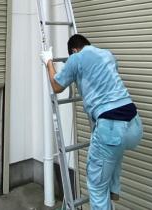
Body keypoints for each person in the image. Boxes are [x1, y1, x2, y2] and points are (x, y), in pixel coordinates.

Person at [40, 34, 143, 209]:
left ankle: (107, 189)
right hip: (134, 125)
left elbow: (57, 86)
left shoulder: (76, 58)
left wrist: (48, 62)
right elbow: (103, 78)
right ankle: (113, 188)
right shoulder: (107, 55)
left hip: (111, 128)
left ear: (73, 50)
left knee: (96, 187)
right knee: (114, 152)